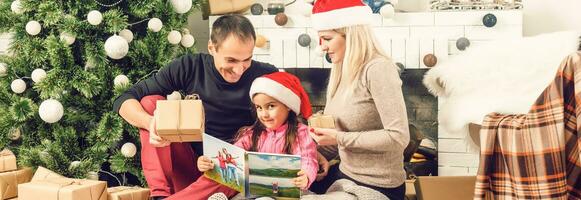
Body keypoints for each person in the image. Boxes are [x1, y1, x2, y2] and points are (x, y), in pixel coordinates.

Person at [112, 14, 279, 199]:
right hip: (192, 167)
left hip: (235, 170)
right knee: (149, 103)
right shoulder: (190, 66)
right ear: (211, 48)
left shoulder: (267, 75)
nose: (239, 69)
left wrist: (313, 153)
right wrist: (151, 123)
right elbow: (124, 99)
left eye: (247, 59)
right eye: (231, 60)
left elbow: (296, 119)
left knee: (242, 168)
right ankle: (160, 194)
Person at [307, 0, 410, 200]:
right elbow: (338, 133)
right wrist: (315, 156)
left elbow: (398, 137)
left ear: (351, 34)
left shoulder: (378, 69)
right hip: (345, 176)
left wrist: (338, 138)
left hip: (378, 186)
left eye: (327, 38)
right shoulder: (340, 70)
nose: (322, 47)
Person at [167, 72, 319, 199]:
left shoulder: (300, 132)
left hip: (285, 191)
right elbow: (232, 156)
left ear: (288, 106)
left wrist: (305, 175)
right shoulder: (253, 133)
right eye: (259, 108)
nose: (264, 114)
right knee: (224, 183)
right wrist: (207, 162)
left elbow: (308, 159)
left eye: (271, 106)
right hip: (253, 188)